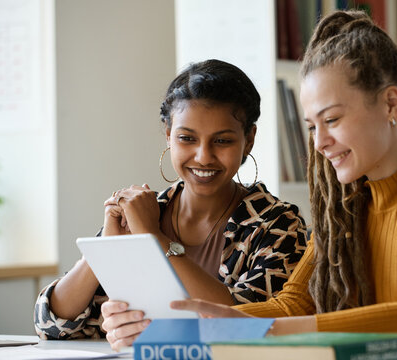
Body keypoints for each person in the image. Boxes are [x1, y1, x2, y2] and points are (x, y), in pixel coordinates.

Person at [168, 10, 397, 347]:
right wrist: (167, 329)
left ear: (391, 104)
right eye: (311, 127)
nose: (319, 143)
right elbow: (291, 306)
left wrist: (259, 330)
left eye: (331, 120)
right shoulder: (344, 213)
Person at [34, 59, 308, 345]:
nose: (203, 156)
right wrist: (104, 250)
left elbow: (249, 320)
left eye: (222, 141)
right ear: (168, 136)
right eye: (186, 138)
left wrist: (154, 238)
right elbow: (51, 324)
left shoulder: (278, 225)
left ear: (248, 140)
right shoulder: (144, 211)